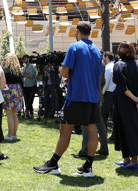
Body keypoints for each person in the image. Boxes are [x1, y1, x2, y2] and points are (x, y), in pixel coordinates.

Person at [33, 22, 103, 178]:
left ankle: (53, 163)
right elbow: (96, 73)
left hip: (76, 95)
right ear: (89, 32)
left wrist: (63, 72)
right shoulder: (97, 51)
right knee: (92, 130)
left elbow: (64, 72)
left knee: (65, 129)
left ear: (76, 32)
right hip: (92, 96)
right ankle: (88, 167)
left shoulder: (75, 47)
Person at [112, 41, 138, 171]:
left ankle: (133, 161)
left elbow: (122, 87)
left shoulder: (118, 65)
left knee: (127, 130)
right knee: (133, 130)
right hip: (136, 104)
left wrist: (136, 99)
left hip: (124, 102)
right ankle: (127, 159)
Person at [2, 53, 23, 140]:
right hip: (17, 91)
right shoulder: (19, 71)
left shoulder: (5, 70)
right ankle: (14, 134)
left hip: (8, 91)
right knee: (15, 114)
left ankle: (10, 135)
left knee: (9, 114)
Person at [101, 51, 116, 127]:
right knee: (113, 116)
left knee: (101, 114)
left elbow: (105, 82)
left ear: (107, 57)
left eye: (103, 57)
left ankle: (103, 134)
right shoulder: (115, 66)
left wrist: (101, 93)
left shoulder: (108, 68)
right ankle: (114, 136)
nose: (102, 59)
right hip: (115, 93)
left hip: (108, 94)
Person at [22, 55, 37, 119]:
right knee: (26, 100)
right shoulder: (24, 67)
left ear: (28, 59)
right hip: (25, 86)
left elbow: (31, 76)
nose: (23, 60)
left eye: (24, 58)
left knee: (30, 100)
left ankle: (31, 113)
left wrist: (24, 74)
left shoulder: (32, 66)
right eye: (23, 59)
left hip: (31, 86)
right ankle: (28, 113)